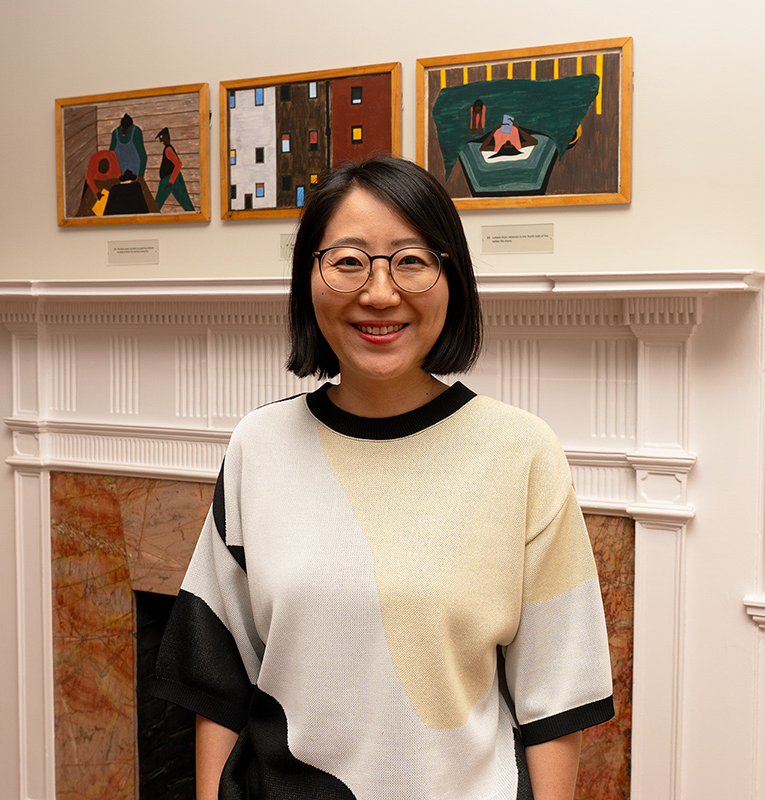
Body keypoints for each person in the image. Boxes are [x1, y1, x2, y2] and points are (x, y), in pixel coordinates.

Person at [153, 156, 614, 800]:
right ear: (307, 278)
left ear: (451, 276)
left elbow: (558, 696)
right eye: (347, 260)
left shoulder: (522, 452)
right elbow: (218, 675)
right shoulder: (257, 446)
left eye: (411, 260)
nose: (378, 293)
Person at [154, 127, 196, 212]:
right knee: (185, 202)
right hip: (172, 178)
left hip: (168, 179)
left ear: (166, 137)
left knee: (157, 204)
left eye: (161, 138)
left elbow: (178, 164)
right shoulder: (168, 148)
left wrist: (171, 182)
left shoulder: (168, 149)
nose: (160, 140)